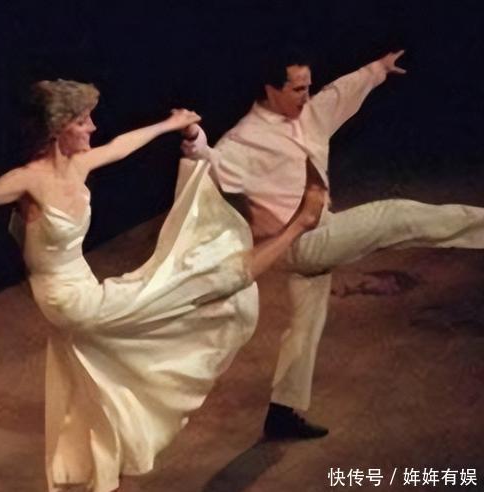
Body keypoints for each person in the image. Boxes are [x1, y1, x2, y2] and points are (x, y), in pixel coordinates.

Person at [0, 79, 318, 492]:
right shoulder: (29, 179)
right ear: (60, 128)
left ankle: (102, 472)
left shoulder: (79, 164)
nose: (93, 127)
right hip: (70, 300)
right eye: (83, 121)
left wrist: (169, 124)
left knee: (105, 382)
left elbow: (122, 145)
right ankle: (298, 225)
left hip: (85, 289)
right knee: (196, 278)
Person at [181, 49, 484, 440]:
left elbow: (341, 92)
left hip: (314, 234)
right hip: (301, 243)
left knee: (305, 327)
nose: (306, 96)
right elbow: (210, 161)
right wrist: (194, 140)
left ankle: (282, 412)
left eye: (308, 87)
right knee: (396, 215)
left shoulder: (311, 114)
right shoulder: (245, 140)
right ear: (270, 90)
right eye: (297, 89)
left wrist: (378, 69)